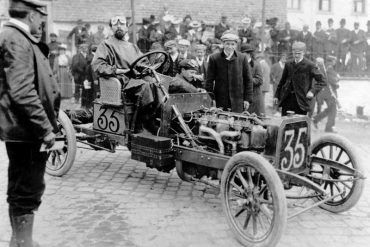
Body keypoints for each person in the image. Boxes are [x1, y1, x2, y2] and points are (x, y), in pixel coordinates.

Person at [0, 0, 60, 246]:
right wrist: (45, 129)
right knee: (27, 190)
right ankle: (23, 243)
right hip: (26, 131)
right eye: (41, 16)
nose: (43, 21)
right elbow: (22, 91)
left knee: (23, 187)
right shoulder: (16, 39)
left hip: (23, 129)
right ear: (32, 15)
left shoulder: (15, 37)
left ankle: (20, 240)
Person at [274, 42, 326, 116]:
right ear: (292, 52)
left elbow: (322, 81)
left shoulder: (310, 65)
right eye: (295, 53)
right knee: (285, 123)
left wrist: (312, 91)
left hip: (301, 101)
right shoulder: (288, 64)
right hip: (287, 99)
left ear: (304, 52)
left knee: (298, 123)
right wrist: (276, 95)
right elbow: (282, 81)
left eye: (299, 53)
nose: (296, 55)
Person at [205, 31, 253, 113]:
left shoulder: (242, 58)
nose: (230, 47)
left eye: (232, 44)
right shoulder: (214, 58)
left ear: (236, 45)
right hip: (220, 100)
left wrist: (247, 99)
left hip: (238, 101)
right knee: (221, 123)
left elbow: (248, 80)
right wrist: (211, 98)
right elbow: (209, 81)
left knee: (237, 124)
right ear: (223, 44)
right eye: (227, 44)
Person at [312, 56, 340, 132]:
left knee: (330, 109)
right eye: (334, 61)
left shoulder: (325, 68)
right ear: (331, 61)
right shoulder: (329, 69)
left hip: (325, 92)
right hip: (329, 93)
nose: (335, 62)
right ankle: (329, 127)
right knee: (333, 109)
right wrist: (337, 80)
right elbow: (333, 81)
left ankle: (316, 119)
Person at [241, 44, 263, 116]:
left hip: (254, 97)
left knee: (253, 119)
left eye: (243, 54)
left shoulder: (256, 65)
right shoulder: (239, 64)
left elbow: (259, 80)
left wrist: (247, 80)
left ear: (248, 54)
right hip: (242, 97)